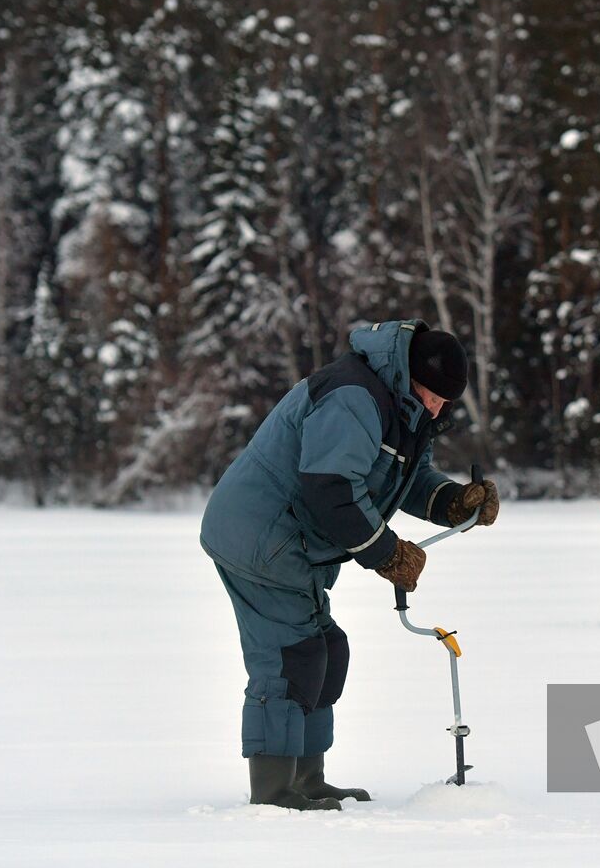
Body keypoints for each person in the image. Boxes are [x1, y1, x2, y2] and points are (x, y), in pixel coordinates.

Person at [199, 320, 499, 811]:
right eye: (434, 397)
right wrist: (386, 554)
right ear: (410, 375)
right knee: (290, 657)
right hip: (260, 538)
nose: (437, 409)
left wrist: (453, 500)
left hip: (292, 546)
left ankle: (308, 779)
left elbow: (407, 477)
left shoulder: (399, 403)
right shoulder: (353, 397)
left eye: (446, 403)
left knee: (326, 650)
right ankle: (274, 791)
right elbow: (331, 490)